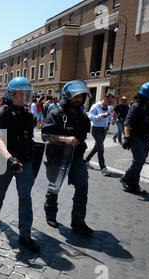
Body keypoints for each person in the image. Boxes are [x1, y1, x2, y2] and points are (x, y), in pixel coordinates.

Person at [0, 77, 40, 253]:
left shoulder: (28, 115)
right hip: (5, 159)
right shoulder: (1, 113)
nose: (24, 97)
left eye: (26, 93)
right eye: (20, 93)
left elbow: (28, 137)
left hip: (24, 160)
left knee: (25, 196)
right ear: (11, 94)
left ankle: (25, 234)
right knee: (0, 190)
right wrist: (10, 158)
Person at [42, 80, 93, 236]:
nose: (79, 99)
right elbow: (46, 135)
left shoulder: (83, 116)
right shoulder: (55, 113)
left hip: (76, 157)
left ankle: (78, 221)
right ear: (68, 96)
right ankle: (51, 215)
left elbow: (83, 136)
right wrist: (66, 139)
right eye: (76, 96)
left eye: (82, 96)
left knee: (82, 186)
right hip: (57, 157)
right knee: (54, 187)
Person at [120, 82, 149, 195]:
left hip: (146, 139)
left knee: (139, 162)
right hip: (136, 138)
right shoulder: (136, 106)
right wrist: (127, 138)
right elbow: (127, 123)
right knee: (140, 160)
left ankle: (134, 184)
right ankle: (126, 178)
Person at [85, 93, 115, 176]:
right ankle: (103, 168)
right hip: (96, 129)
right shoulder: (95, 106)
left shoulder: (109, 108)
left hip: (104, 130)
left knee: (97, 148)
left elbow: (109, 119)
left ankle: (86, 161)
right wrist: (101, 115)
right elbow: (90, 117)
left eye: (111, 102)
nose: (110, 103)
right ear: (105, 98)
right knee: (101, 149)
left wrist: (113, 118)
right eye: (109, 101)